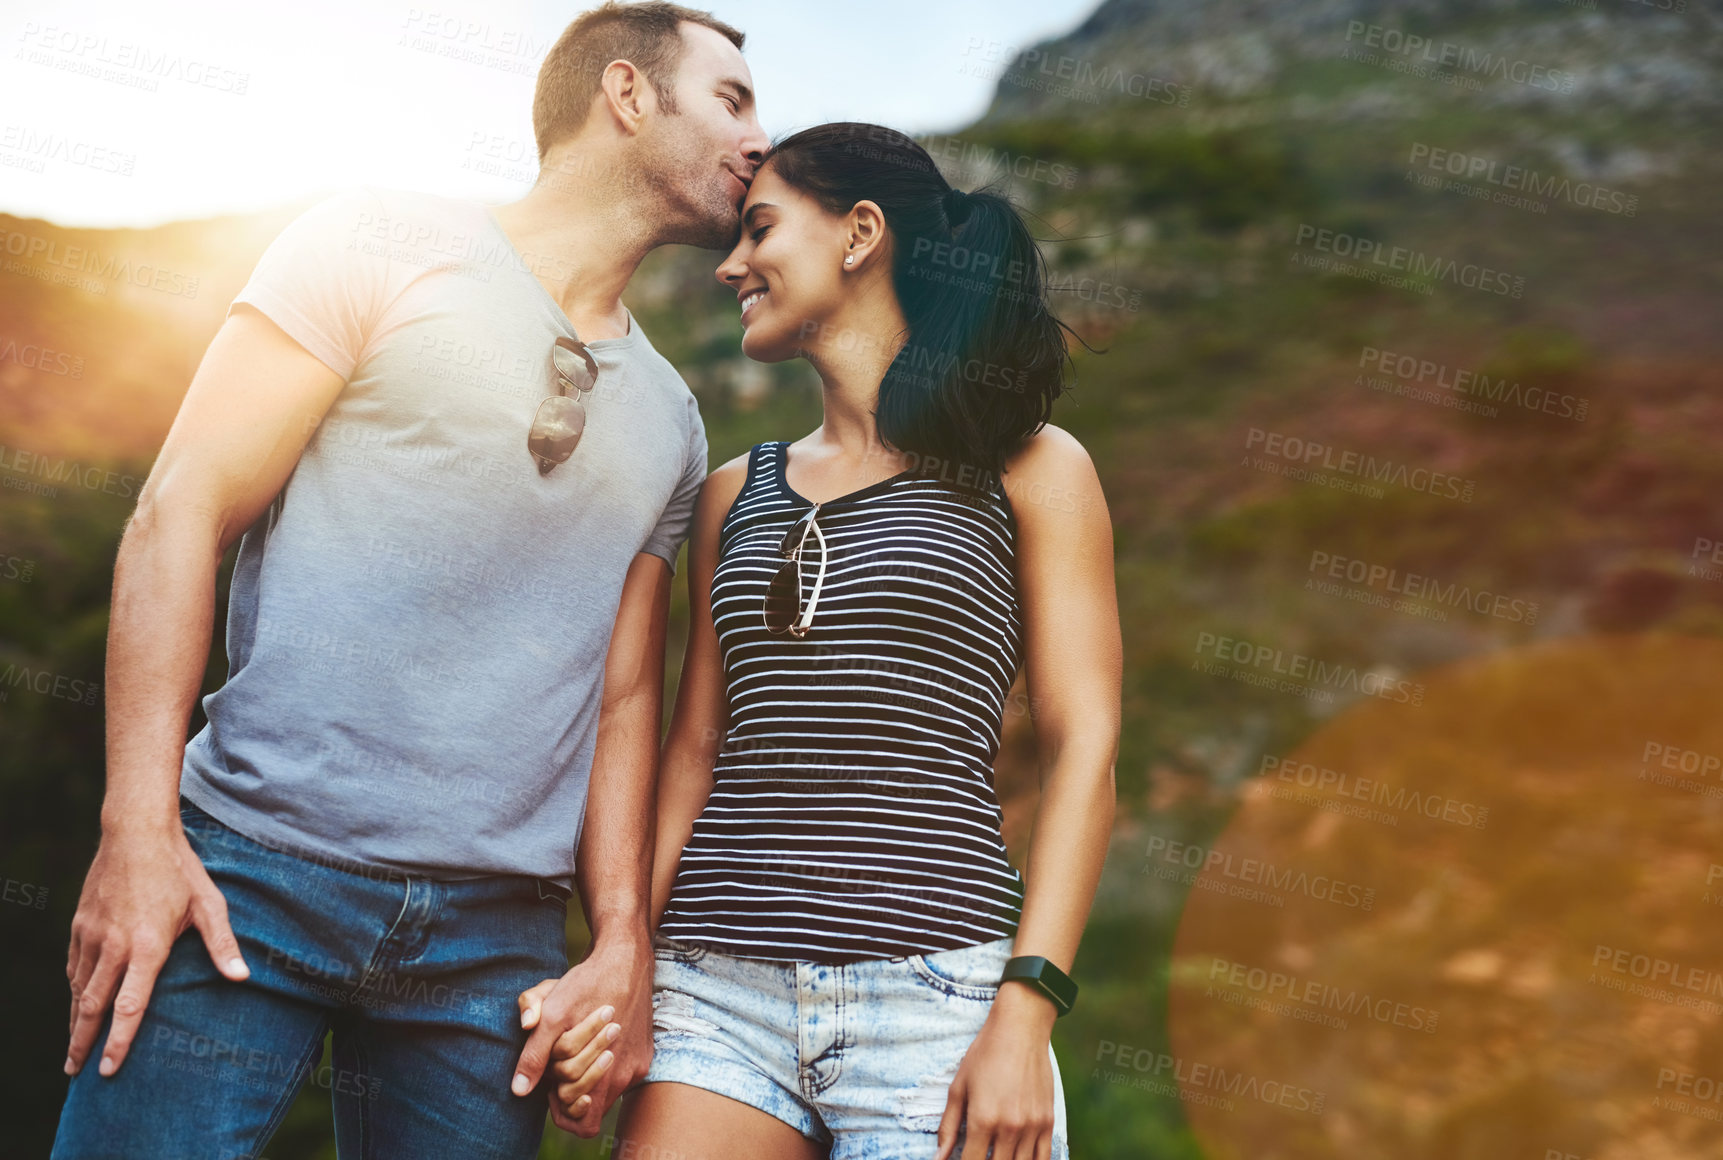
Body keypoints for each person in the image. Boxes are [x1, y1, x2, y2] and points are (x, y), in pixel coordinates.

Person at [50, 4, 767, 1157]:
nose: (758, 140)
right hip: (242, 876)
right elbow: (180, 509)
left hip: (495, 951)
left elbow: (624, 691)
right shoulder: (375, 239)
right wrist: (136, 825)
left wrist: (621, 936)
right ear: (627, 94)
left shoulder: (675, 421)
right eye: (731, 100)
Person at [535, 122, 1122, 1160]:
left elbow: (1086, 749)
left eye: (759, 227)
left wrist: (1027, 1011)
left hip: (936, 995)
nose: (730, 263)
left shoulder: (1028, 467)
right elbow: (694, 753)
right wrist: (628, 970)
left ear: (860, 233)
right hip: (715, 993)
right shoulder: (733, 493)